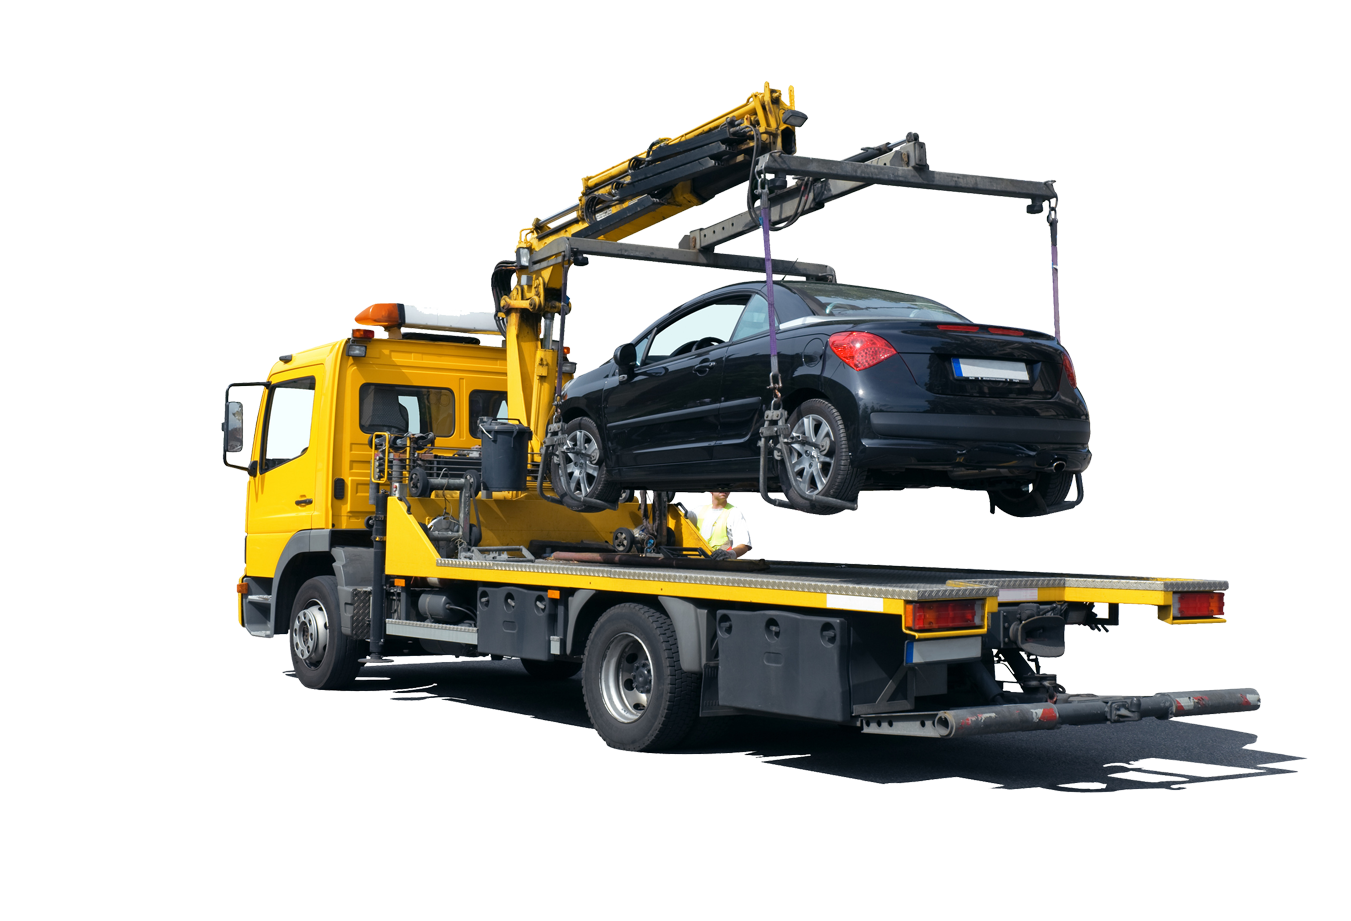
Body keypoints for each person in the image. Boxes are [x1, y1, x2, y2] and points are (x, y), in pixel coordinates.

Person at [688, 491, 751, 559]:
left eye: (727, 487)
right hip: (697, 560)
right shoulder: (698, 511)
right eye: (719, 487)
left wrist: (728, 554)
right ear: (711, 491)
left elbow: (743, 545)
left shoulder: (734, 514)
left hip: (720, 563)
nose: (724, 489)